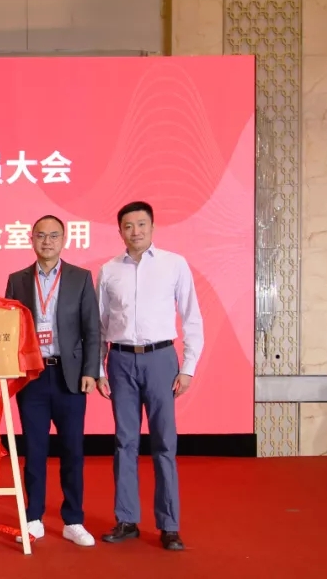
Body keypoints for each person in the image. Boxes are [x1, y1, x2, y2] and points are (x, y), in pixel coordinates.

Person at [96, 201, 203, 551]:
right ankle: (126, 519)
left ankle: (169, 525)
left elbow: (191, 317)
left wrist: (187, 367)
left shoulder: (175, 264)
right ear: (120, 231)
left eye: (142, 224)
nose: (136, 231)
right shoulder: (108, 270)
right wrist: (99, 369)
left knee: (164, 443)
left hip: (160, 359)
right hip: (120, 360)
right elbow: (99, 325)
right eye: (128, 226)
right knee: (124, 442)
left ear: (153, 227)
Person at [3, 215, 101, 547]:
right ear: (31, 239)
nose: (47, 241)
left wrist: (91, 371)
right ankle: (33, 518)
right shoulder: (17, 280)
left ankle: (73, 520)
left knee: (73, 450)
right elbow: (9, 331)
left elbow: (92, 329)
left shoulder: (80, 278)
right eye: (41, 235)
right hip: (33, 377)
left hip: (70, 376)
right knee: (34, 450)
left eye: (54, 235)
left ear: (64, 240)